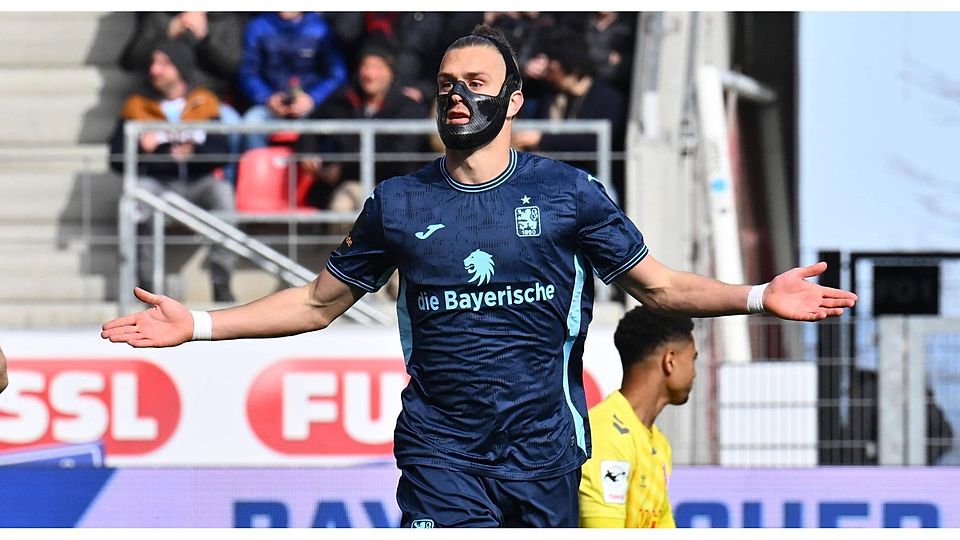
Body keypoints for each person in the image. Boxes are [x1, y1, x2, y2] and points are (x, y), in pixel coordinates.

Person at [101, 25, 857, 528]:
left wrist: (760, 295)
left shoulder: (567, 193)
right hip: (440, 454)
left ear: (514, 99)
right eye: (445, 82)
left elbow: (659, 287)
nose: (456, 93)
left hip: (543, 453)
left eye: (475, 80)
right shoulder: (398, 203)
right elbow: (314, 302)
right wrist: (197, 324)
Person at [109, 39, 237, 302]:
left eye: (163, 63)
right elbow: (116, 158)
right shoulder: (136, 105)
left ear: (180, 68)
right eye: (154, 63)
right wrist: (150, 152)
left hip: (198, 182)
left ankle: (221, 282)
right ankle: (147, 287)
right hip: (158, 182)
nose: (154, 70)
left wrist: (191, 154)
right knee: (139, 197)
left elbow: (221, 151)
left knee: (223, 194)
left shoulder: (205, 102)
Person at [578, 307, 697, 528]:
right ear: (670, 360)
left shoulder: (659, 444)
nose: (695, 372)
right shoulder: (607, 435)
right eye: (693, 359)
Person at [295, 41, 429, 213]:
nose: (370, 74)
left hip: (395, 186)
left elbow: (400, 158)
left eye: (378, 67)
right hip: (351, 185)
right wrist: (308, 152)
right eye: (365, 66)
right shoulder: (343, 101)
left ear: (391, 73)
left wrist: (343, 169)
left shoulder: (409, 108)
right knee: (341, 207)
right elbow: (312, 126)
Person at [238, 12, 347, 150]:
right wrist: (267, 98)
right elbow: (247, 73)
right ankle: (257, 170)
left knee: (328, 128)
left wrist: (312, 99)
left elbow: (336, 75)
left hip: (312, 107)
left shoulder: (321, 28)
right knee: (251, 123)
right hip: (269, 107)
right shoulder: (258, 26)